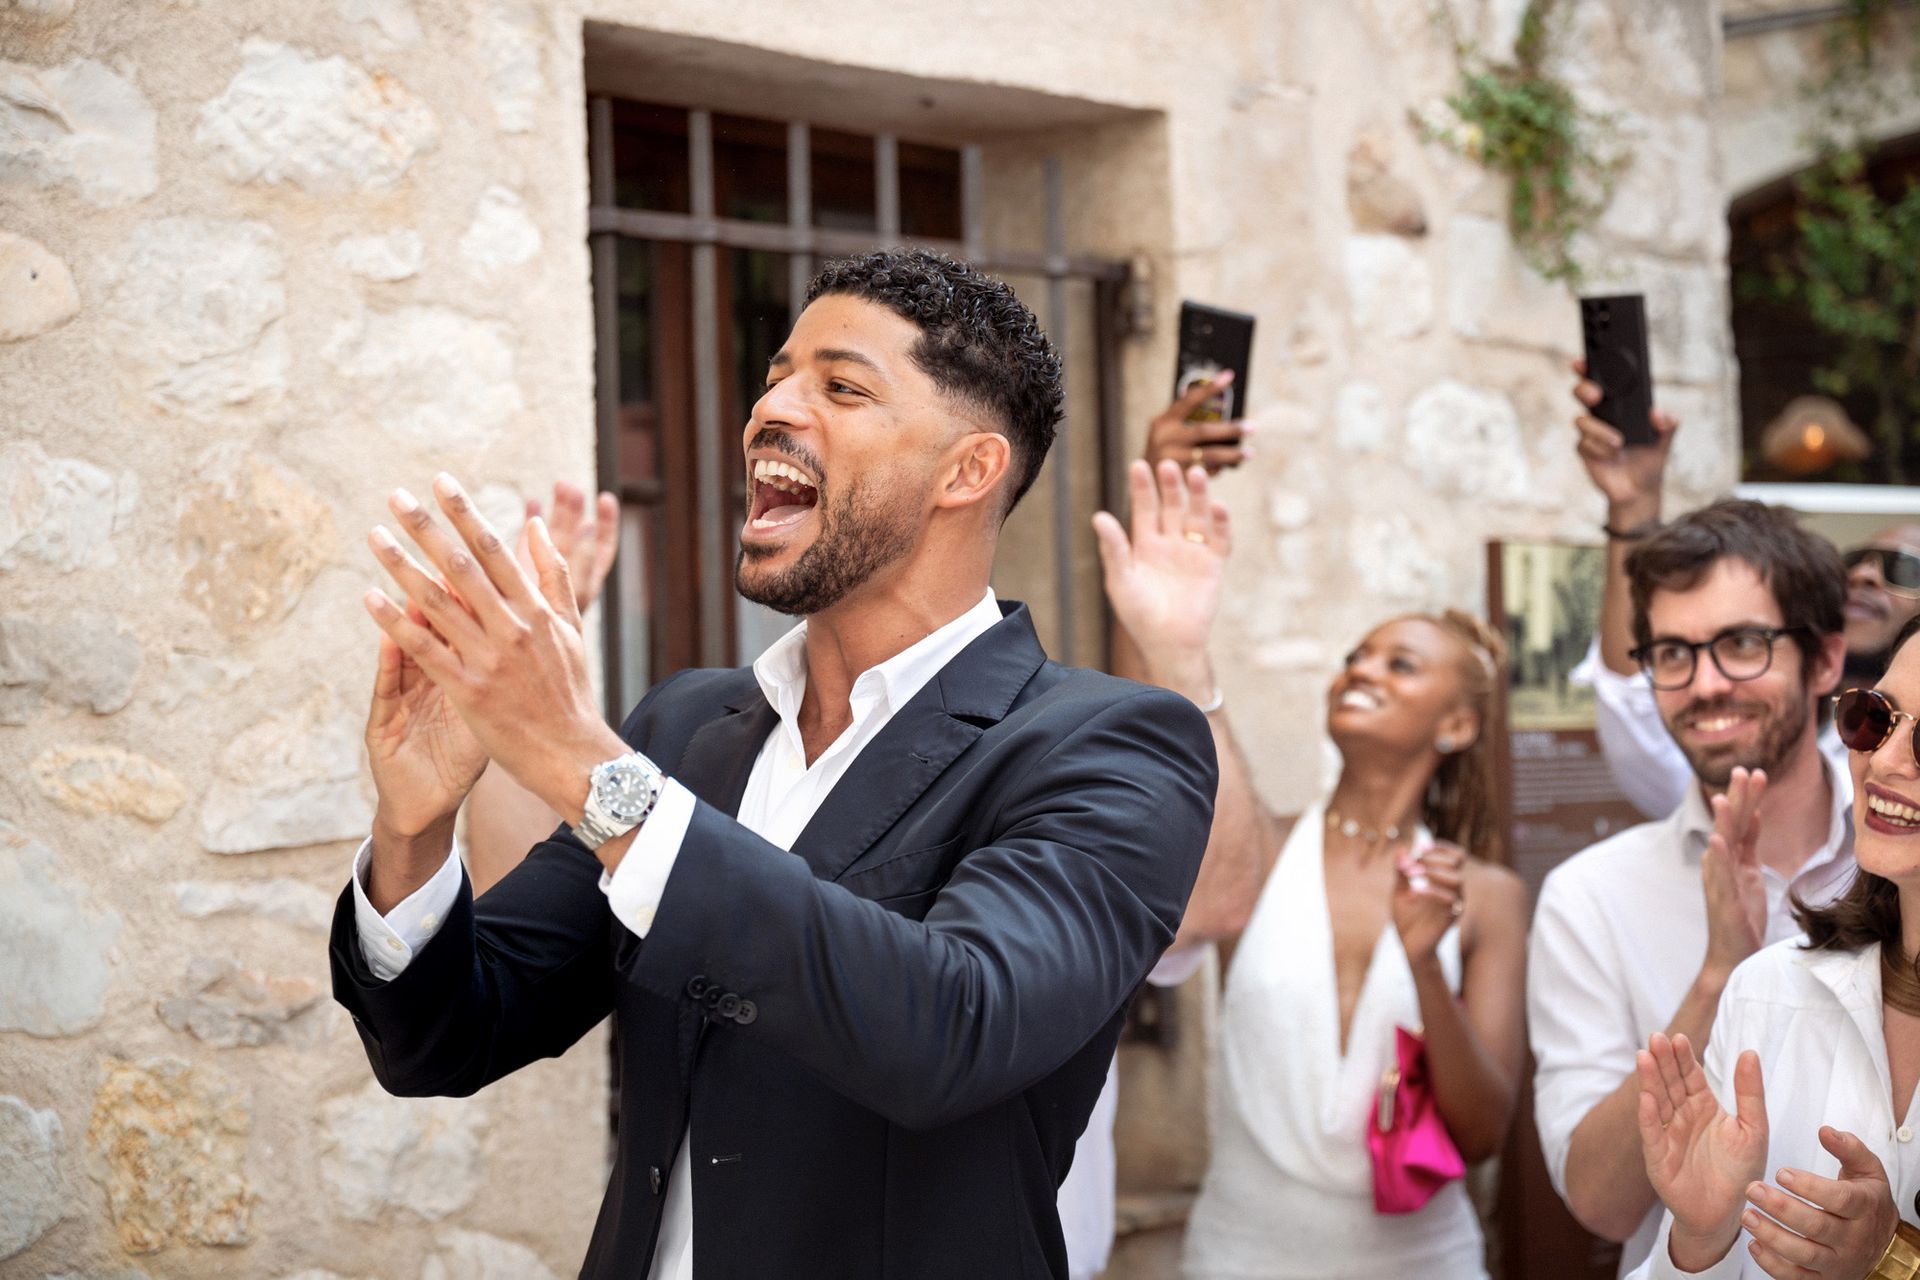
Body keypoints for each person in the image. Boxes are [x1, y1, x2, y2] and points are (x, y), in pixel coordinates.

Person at [330, 248, 1219, 1279]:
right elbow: (444, 1038)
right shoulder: (684, 728)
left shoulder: (1109, 742)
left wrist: (584, 766)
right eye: (775, 375)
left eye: (842, 386)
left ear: (967, 470)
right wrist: (413, 824)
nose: (772, 408)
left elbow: (955, 1024)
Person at [1091, 457, 1530, 1279]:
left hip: (1422, 1263)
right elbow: (1148, 754)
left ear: (1459, 726)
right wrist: (1172, 635)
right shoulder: (1258, 851)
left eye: (1400, 664)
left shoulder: (1486, 896)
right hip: (1243, 1256)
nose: (1361, 669)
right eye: (1357, 656)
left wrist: (1427, 963)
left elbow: (1482, 1137)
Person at [1529, 498, 1860, 1274]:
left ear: (1825, 660)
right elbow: (1598, 1203)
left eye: (1742, 643)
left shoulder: (1903, 858)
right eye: (1673, 653)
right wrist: (1721, 972)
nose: (1705, 684)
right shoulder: (1590, 897)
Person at [1622, 615, 1920, 1279]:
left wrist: (1894, 1260)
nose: (1885, 760)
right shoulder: (1769, 989)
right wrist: (1699, 1241)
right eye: (1876, 718)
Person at [1568, 361, 1920, 818]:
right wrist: (1632, 507)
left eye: (1902, 568)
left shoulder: (1884, 815)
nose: (1865, 577)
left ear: (1825, 660)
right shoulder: (1745, 750)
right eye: (1855, 562)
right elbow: (1633, 710)